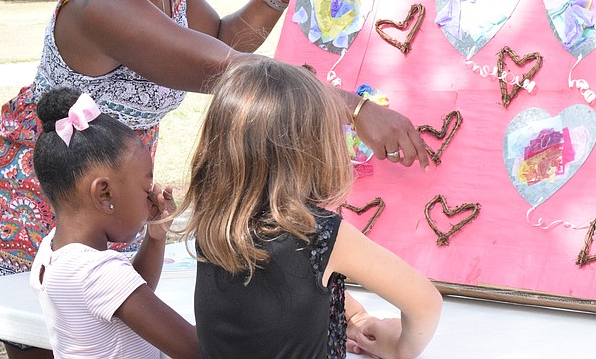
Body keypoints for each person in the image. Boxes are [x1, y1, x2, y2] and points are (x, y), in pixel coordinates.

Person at [0, 0, 427, 358]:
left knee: (117, 337)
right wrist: (353, 108)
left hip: (114, 181)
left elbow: (222, 40)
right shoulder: (101, 6)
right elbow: (226, 69)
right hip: (35, 186)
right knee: (58, 343)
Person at [174, 58, 443, 359]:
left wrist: (355, 319)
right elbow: (426, 302)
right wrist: (400, 347)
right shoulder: (317, 234)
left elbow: (290, 288)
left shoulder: (214, 220)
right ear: (312, 149)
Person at [29, 87, 199, 359]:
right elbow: (194, 350)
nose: (151, 197)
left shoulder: (52, 251)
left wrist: (154, 237)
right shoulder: (99, 273)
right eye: (146, 189)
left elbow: (127, 296)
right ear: (104, 194)